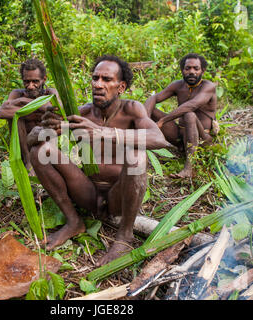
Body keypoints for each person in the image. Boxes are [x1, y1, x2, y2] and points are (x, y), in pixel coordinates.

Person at [27, 55, 171, 266]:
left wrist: (103, 132)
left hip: (119, 196)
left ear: (121, 87)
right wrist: (46, 127)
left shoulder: (132, 109)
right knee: (40, 151)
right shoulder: (82, 113)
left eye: (106, 79)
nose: (98, 84)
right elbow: (32, 139)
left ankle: (125, 235)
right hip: (88, 192)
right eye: (95, 78)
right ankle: (74, 221)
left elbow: (159, 139)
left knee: (136, 156)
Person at [144, 53, 218, 178]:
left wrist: (163, 120)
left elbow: (192, 105)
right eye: (187, 68)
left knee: (189, 115)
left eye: (196, 68)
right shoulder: (178, 85)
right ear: (182, 70)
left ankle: (189, 167)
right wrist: (144, 121)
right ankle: (179, 146)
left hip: (203, 137)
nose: (191, 72)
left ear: (203, 71)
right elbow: (154, 98)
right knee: (152, 109)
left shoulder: (208, 87)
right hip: (181, 135)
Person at [0, 58, 61, 174]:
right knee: (17, 118)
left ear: (44, 79)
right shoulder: (17, 94)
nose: (30, 86)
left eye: (35, 81)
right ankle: (28, 161)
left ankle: (50, 160)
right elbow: (2, 112)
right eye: (26, 81)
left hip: (46, 141)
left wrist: (23, 102)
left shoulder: (50, 93)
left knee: (51, 120)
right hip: (25, 145)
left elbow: (58, 114)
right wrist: (35, 105)